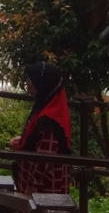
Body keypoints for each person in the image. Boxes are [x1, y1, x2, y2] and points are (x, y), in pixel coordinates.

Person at [10, 61, 71, 198]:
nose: (28, 83)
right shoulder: (47, 105)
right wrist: (23, 140)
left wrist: (32, 187)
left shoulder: (50, 119)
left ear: (43, 83)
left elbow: (45, 157)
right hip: (38, 181)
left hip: (44, 187)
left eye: (32, 80)